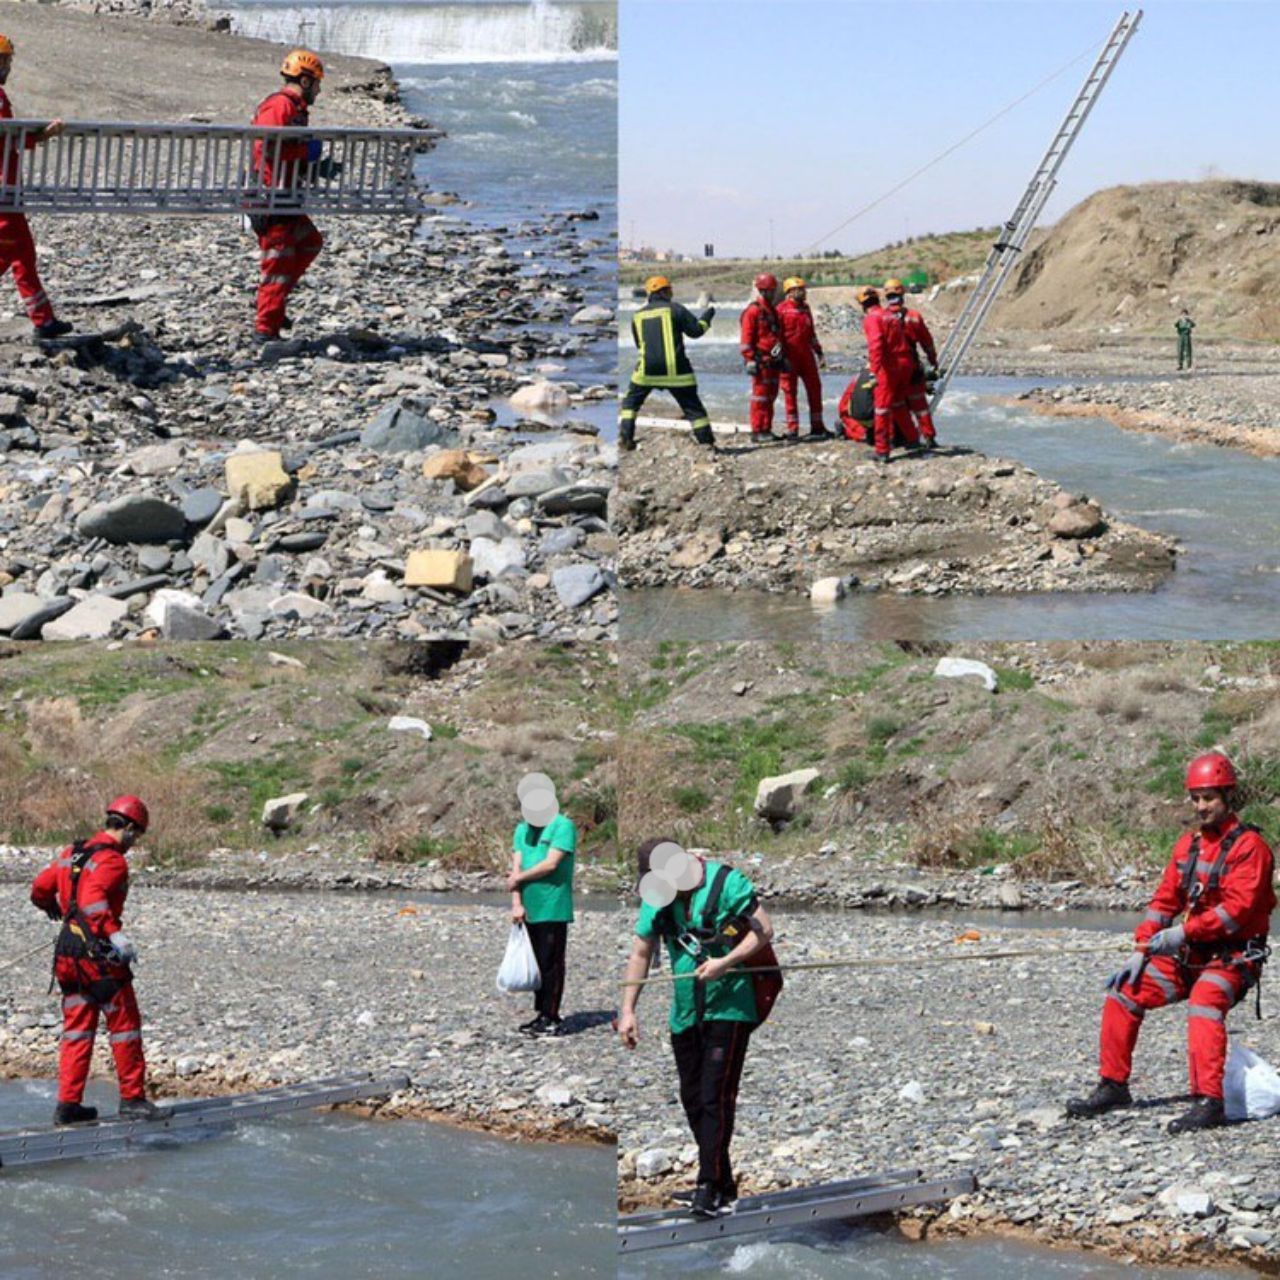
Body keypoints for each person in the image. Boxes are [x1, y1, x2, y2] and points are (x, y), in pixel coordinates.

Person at [1066, 753, 1275, 1134]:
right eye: (1195, 798)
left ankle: (1209, 1101)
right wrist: (1142, 947)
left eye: (1208, 797)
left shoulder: (1251, 848)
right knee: (1124, 991)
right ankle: (1113, 1085)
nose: (1200, 806)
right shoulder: (1187, 847)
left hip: (1233, 959)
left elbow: (1237, 912)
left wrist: (1182, 933)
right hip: (1189, 957)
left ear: (1227, 796)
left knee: (1205, 1003)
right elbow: (1164, 902)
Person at [618, 840, 774, 1218]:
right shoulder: (658, 895)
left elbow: (764, 930)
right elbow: (641, 951)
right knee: (692, 1097)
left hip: (731, 1005)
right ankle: (722, 1182)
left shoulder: (727, 883)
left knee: (714, 1097)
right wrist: (627, 1010)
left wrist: (727, 961)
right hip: (686, 1010)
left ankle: (707, 1185)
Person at [29, 795, 172, 1125]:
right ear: (130, 829)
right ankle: (133, 1100)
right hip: (98, 956)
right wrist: (115, 935)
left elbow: (39, 887)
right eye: (136, 836)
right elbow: (93, 901)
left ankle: (68, 1106)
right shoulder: (112, 860)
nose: (134, 844)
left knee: (77, 1030)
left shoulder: (72, 853)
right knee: (124, 1026)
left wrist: (52, 907)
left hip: (67, 955)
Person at [250, 50, 328, 342]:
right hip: (270, 196)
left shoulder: (294, 109)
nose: (319, 91)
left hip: (284, 195)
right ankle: (265, 328)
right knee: (278, 262)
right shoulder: (280, 105)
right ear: (305, 81)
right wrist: (304, 152)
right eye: (317, 84)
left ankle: (274, 302)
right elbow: (269, 145)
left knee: (309, 242)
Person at [0, 35, 72, 341]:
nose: (8, 67)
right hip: (3, 189)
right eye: (5, 61)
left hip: (5, 187)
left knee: (12, 255)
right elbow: (6, 136)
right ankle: (44, 322)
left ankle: (44, 320)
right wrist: (42, 136)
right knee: (21, 253)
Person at [508, 773, 577, 1038]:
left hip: (553, 905)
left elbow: (551, 863)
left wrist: (519, 879)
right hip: (529, 905)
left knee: (551, 961)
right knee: (535, 961)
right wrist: (516, 902)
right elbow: (516, 865)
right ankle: (540, 1012)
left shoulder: (562, 826)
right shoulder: (522, 829)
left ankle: (552, 1015)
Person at [619, 276, 715, 450]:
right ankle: (706, 443)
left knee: (630, 405)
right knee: (694, 409)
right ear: (663, 292)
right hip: (678, 373)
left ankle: (626, 439)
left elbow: (638, 343)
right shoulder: (675, 309)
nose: (671, 293)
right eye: (669, 290)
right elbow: (696, 331)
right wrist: (707, 318)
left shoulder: (637, 315)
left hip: (646, 372)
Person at [858, 285, 917, 465]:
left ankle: (882, 450)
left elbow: (876, 345)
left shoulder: (872, 318)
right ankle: (913, 439)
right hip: (904, 363)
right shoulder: (889, 315)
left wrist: (874, 371)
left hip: (889, 366)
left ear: (863, 304)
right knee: (899, 403)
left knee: (881, 408)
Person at [883, 278, 939, 447]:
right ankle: (929, 437)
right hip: (911, 365)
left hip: (891, 367)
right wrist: (933, 360)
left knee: (894, 402)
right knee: (919, 403)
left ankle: (903, 438)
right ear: (903, 294)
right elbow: (926, 342)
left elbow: (876, 344)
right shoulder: (914, 317)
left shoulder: (881, 317)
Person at [776, 277, 831, 439]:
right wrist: (779, 357)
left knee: (815, 389)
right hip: (789, 357)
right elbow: (776, 336)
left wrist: (819, 353)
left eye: (803, 289)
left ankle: (818, 427)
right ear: (790, 292)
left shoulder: (806, 309)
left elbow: (811, 333)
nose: (803, 292)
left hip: (806, 356)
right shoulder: (781, 310)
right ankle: (793, 429)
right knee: (789, 392)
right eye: (800, 289)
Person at [738, 272, 784, 440]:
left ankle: (766, 428)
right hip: (760, 361)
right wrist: (750, 359)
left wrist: (781, 357)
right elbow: (746, 339)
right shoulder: (753, 311)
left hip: (772, 361)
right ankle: (757, 430)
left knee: (770, 396)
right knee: (760, 397)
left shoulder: (771, 311)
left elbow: (775, 336)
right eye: (772, 291)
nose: (774, 294)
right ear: (764, 291)